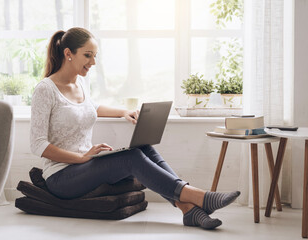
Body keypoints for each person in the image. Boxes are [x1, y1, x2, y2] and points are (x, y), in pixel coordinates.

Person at [30, 27, 240, 230]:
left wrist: (123, 111)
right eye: (87, 56)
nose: (93, 62)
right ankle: (201, 197)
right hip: (61, 177)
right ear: (68, 54)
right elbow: (38, 144)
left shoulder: (80, 84)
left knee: (144, 148)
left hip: (84, 165)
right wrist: (83, 158)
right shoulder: (45, 90)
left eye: (95, 56)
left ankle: (189, 210)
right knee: (130, 158)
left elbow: (88, 108)